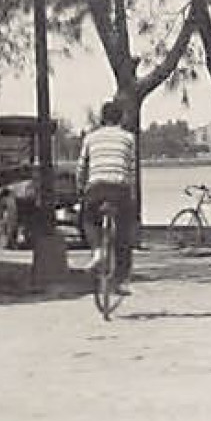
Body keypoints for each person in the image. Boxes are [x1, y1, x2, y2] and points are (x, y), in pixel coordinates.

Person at [77, 100, 137, 284]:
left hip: (96, 187)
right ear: (121, 118)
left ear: (102, 118)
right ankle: (121, 277)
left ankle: (97, 251)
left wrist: (80, 187)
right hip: (119, 189)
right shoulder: (128, 138)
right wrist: (131, 192)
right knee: (124, 231)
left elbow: (81, 167)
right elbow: (131, 169)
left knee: (87, 219)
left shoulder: (90, 138)